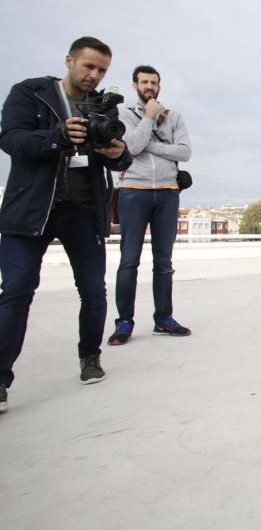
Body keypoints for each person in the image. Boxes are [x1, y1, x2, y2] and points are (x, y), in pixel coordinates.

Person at [0, 36, 131, 410]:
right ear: (69, 60)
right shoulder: (31, 93)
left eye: (102, 70)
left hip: (83, 210)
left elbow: (117, 159)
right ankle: (0, 378)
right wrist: (56, 137)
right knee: (17, 291)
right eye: (89, 66)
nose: (94, 75)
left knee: (93, 290)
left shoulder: (104, 107)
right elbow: (9, 138)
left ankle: (90, 357)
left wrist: (118, 152)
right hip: (31, 209)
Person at [107, 65, 192, 345]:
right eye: (144, 82)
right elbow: (129, 146)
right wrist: (148, 117)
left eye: (154, 82)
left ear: (159, 86)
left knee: (164, 263)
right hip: (134, 190)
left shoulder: (175, 117)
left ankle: (163, 318)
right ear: (135, 85)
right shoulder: (122, 114)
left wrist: (151, 146)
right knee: (129, 261)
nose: (149, 86)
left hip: (168, 193)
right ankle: (124, 323)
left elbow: (184, 152)